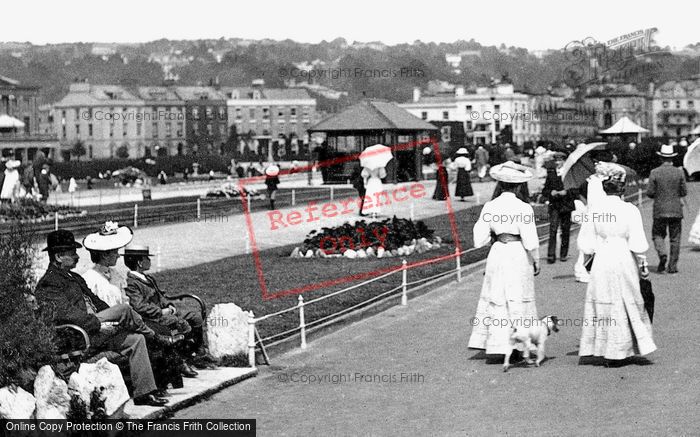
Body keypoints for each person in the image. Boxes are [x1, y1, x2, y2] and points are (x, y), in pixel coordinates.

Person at [34, 230, 179, 406]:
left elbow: (98, 303)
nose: (77, 256)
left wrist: (111, 318)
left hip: (93, 329)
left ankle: (144, 393)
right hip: (78, 337)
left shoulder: (75, 277)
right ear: (58, 256)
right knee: (124, 309)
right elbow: (67, 315)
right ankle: (155, 337)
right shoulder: (49, 283)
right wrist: (99, 324)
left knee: (136, 339)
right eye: (72, 253)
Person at [81, 222, 186, 390]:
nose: (118, 256)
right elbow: (94, 311)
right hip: (108, 330)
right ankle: (154, 385)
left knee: (160, 330)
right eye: (115, 252)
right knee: (150, 336)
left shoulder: (116, 275)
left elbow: (126, 302)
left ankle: (163, 382)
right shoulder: (90, 279)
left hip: (126, 323)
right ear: (105, 255)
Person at [577, 162, 656, 362]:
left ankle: (604, 348)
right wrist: (643, 265)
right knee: (625, 298)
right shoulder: (629, 210)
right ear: (621, 188)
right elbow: (637, 242)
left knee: (604, 298)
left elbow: (586, 243)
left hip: (603, 256)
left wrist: (588, 261)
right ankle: (623, 348)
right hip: (623, 256)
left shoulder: (595, 210)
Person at [468, 161, 540, 357]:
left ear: (500, 184)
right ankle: (520, 345)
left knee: (498, 295)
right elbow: (531, 240)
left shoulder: (490, 206)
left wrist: (495, 234)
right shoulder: (524, 208)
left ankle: (497, 344)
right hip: (518, 253)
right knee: (518, 295)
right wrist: (536, 261)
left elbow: (478, 239)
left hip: (498, 253)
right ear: (518, 185)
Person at [124, 245, 211, 374]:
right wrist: (161, 311)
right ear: (139, 262)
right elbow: (138, 306)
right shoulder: (132, 282)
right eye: (147, 258)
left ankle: (199, 352)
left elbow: (161, 296)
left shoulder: (148, 278)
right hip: (151, 317)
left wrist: (168, 305)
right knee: (180, 323)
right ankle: (181, 360)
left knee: (195, 316)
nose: (150, 260)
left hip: (163, 313)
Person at [647, 144, 687, 274]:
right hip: (676, 209)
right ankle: (672, 266)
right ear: (672, 158)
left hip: (659, 209)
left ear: (661, 158)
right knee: (675, 238)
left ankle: (662, 254)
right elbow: (684, 191)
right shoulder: (679, 172)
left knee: (657, 234)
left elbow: (650, 192)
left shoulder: (654, 172)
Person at [542, 154, 576, 263]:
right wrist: (550, 192)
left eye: (560, 160)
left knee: (565, 231)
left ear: (564, 161)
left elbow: (575, 190)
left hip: (566, 205)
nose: (557, 163)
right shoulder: (551, 174)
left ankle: (563, 254)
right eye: (556, 160)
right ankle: (551, 255)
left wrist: (566, 192)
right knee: (553, 230)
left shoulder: (569, 174)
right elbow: (545, 190)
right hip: (555, 206)